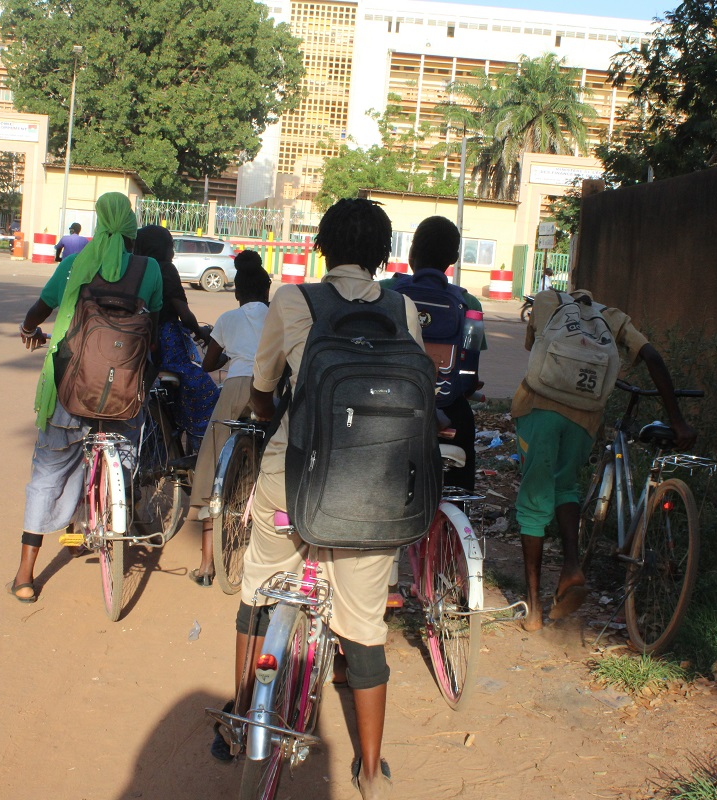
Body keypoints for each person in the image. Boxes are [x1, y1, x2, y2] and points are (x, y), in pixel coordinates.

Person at [213, 199, 422, 800]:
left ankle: (240, 719)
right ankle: (370, 770)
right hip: (373, 491)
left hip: (291, 481)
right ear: (382, 254)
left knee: (260, 586)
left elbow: (263, 388)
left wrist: (266, 413)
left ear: (323, 247)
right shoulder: (404, 308)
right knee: (364, 623)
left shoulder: (292, 300)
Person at [9, 192, 164, 603]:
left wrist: (28, 329)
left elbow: (39, 309)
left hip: (70, 388)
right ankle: (112, 510)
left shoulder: (74, 265)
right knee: (123, 453)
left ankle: (25, 575)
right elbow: (155, 327)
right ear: (130, 226)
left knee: (47, 474)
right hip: (124, 389)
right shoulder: (149, 269)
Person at [514, 288, 696, 631]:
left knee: (534, 499)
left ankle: (534, 608)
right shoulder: (611, 317)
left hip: (540, 409)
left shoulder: (548, 301)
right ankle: (571, 566)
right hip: (584, 419)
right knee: (565, 486)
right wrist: (677, 420)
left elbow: (533, 348)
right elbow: (652, 356)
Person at [378, 216, 485, 491]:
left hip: (389, 406)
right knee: (459, 481)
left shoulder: (385, 291)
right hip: (448, 411)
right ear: (454, 258)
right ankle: (457, 509)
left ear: (412, 251)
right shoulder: (468, 303)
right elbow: (469, 374)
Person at [186, 251, 271, 585]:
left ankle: (206, 564)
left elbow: (209, 364)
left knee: (212, 458)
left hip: (235, 388)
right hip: (269, 389)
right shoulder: (276, 316)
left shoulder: (228, 319)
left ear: (237, 294)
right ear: (267, 290)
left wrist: (227, 354)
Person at [134, 225, 219, 444]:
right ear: (161, 248)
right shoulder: (165, 269)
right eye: (170, 246)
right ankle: (200, 445)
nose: (172, 252)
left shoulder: (135, 267)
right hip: (167, 346)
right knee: (206, 393)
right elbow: (185, 315)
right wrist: (200, 332)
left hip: (138, 343)